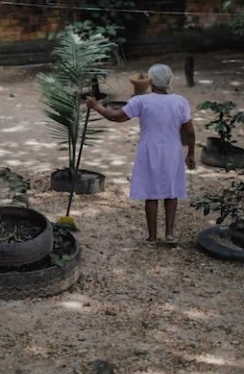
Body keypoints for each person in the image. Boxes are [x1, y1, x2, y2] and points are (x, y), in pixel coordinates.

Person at [84, 64, 196, 247]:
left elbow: (116, 117)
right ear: (169, 81)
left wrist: (96, 105)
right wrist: (191, 153)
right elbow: (190, 132)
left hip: (149, 150)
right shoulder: (180, 101)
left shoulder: (141, 101)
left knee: (151, 194)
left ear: (151, 81)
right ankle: (169, 234)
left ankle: (152, 238)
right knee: (171, 191)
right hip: (172, 151)